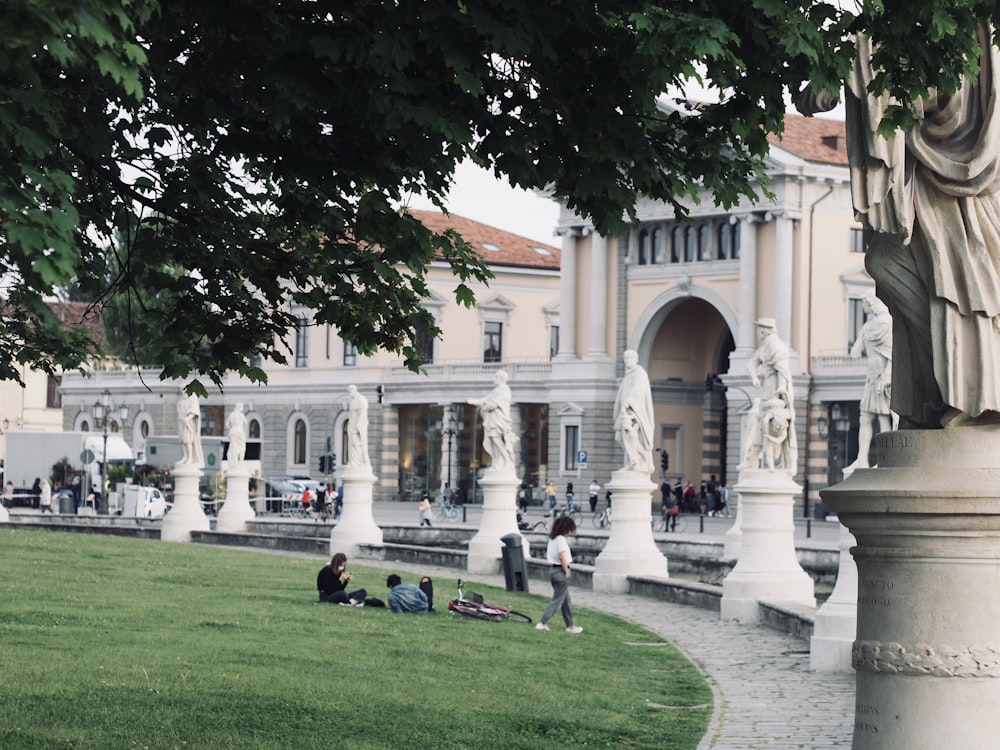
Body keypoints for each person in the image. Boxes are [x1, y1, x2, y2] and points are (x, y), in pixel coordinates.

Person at [847, 293, 894, 470]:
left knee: (883, 418)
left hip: (882, 377)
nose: (862, 307)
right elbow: (855, 353)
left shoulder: (887, 322)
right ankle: (862, 459)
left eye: (863, 303)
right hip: (871, 377)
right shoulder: (868, 326)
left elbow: (892, 353)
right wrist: (862, 335)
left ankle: (885, 459)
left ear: (871, 304)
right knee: (865, 417)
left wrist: (888, 376)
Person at [535, 515, 583, 633]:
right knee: (557, 600)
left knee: (565, 600)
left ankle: (570, 626)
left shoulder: (553, 538)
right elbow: (562, 556)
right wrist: (566, 570)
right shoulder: (561, 539)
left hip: (553, 571)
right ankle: (542, 622)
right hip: (560, 571)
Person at [613, 349, 655, 473]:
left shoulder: (639, 373)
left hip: (634, 412)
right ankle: (636, 460)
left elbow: (638, 390)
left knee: (631, 437)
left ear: (636, 359)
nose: (628, 361)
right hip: (625, 411)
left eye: (630, 358)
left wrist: (628, 401)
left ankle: (636, 461)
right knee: (620, 437)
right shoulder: (629, 374)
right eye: (626, 359)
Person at [468, 370, 517, 470]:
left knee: (496, 440)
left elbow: (493, 404)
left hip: (498, 421)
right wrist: (473, 401)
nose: (493, 379)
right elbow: (485, 399)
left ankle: (506, 461)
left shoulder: (504, 390)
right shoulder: (496, 390)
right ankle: (498, 462)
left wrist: (484, 408)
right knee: (492, 441)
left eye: (495, 377)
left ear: (501, 379)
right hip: (492, 420)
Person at [177, 393, 205, 468]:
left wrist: (188, 418)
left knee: (188, 441)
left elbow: (194, 411)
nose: (182, 392)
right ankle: (185, 456)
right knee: (183, 441)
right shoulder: (182, 400)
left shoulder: (192, 398)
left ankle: (190, 458)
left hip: (188, 424)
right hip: (182, 422)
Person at [346, 385, 371, 468]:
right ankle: (352, 463)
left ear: (355, 391)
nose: (350, 394)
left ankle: (360, 462)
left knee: (358, 445)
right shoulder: (353, 401)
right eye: (349, 392)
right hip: (352, 425)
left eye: (350, 392)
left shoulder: (361, 400)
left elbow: (362, 416)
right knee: (352, 445)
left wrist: (357, 428)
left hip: (358, 426)